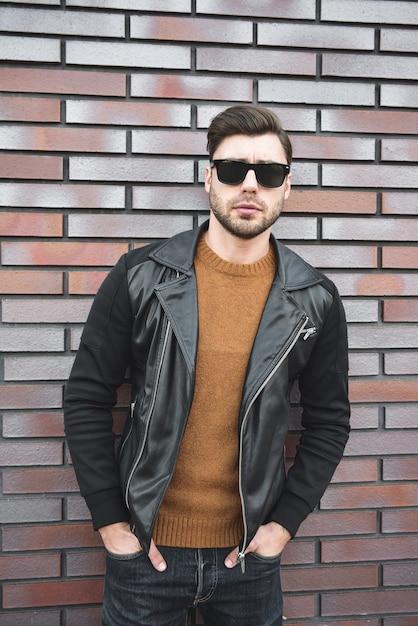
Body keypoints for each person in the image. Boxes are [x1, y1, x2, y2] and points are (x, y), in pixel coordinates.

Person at [64, 104, 350, 626]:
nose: (249, 185)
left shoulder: (315, 299)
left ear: (287, 187)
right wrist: (111, 523)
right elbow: (86, 398)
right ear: (208, 178)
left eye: (267, 173)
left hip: (250, 562)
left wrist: (282, 528)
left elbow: (329, 423)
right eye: (232, 169)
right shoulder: (140, 276)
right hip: (144, 554)